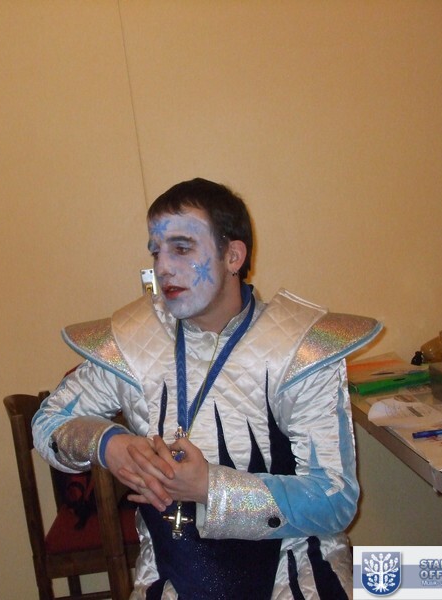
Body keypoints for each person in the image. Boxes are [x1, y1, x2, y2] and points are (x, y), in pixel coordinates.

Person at [33, 178, 381, 599]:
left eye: (181, 249)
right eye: (156, 252)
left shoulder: (299, 348)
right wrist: (109, 445)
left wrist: (211, 488)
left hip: (294, 570)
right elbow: (49, 422)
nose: (163, 267)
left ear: (233, 256)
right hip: (170, 573)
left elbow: (333, 501)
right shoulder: (134, 343)